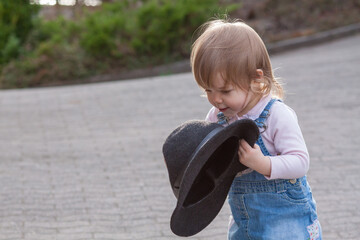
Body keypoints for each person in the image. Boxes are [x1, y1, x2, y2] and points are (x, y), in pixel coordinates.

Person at [190, 18, 322, 240]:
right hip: (246, 219)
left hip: (285, 220)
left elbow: (300, 161)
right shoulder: (217, 118)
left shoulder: (277, 115)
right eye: (208, 89)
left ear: (255, 79)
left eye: (225, 90)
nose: (215, 99)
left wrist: (263, 164)